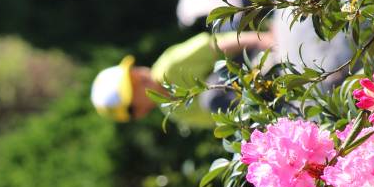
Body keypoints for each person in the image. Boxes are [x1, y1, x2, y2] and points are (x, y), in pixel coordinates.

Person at [90, 30, 273, 129]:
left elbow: (218, 45)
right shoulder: (178, 113)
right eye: (133, 84)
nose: (139, 75)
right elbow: (229, 121)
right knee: (212, 101)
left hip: (250, 55)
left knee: (211, 98)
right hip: (256, 91)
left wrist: (263, 39)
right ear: (137, 112)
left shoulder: (170, 67)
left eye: (133, 73)